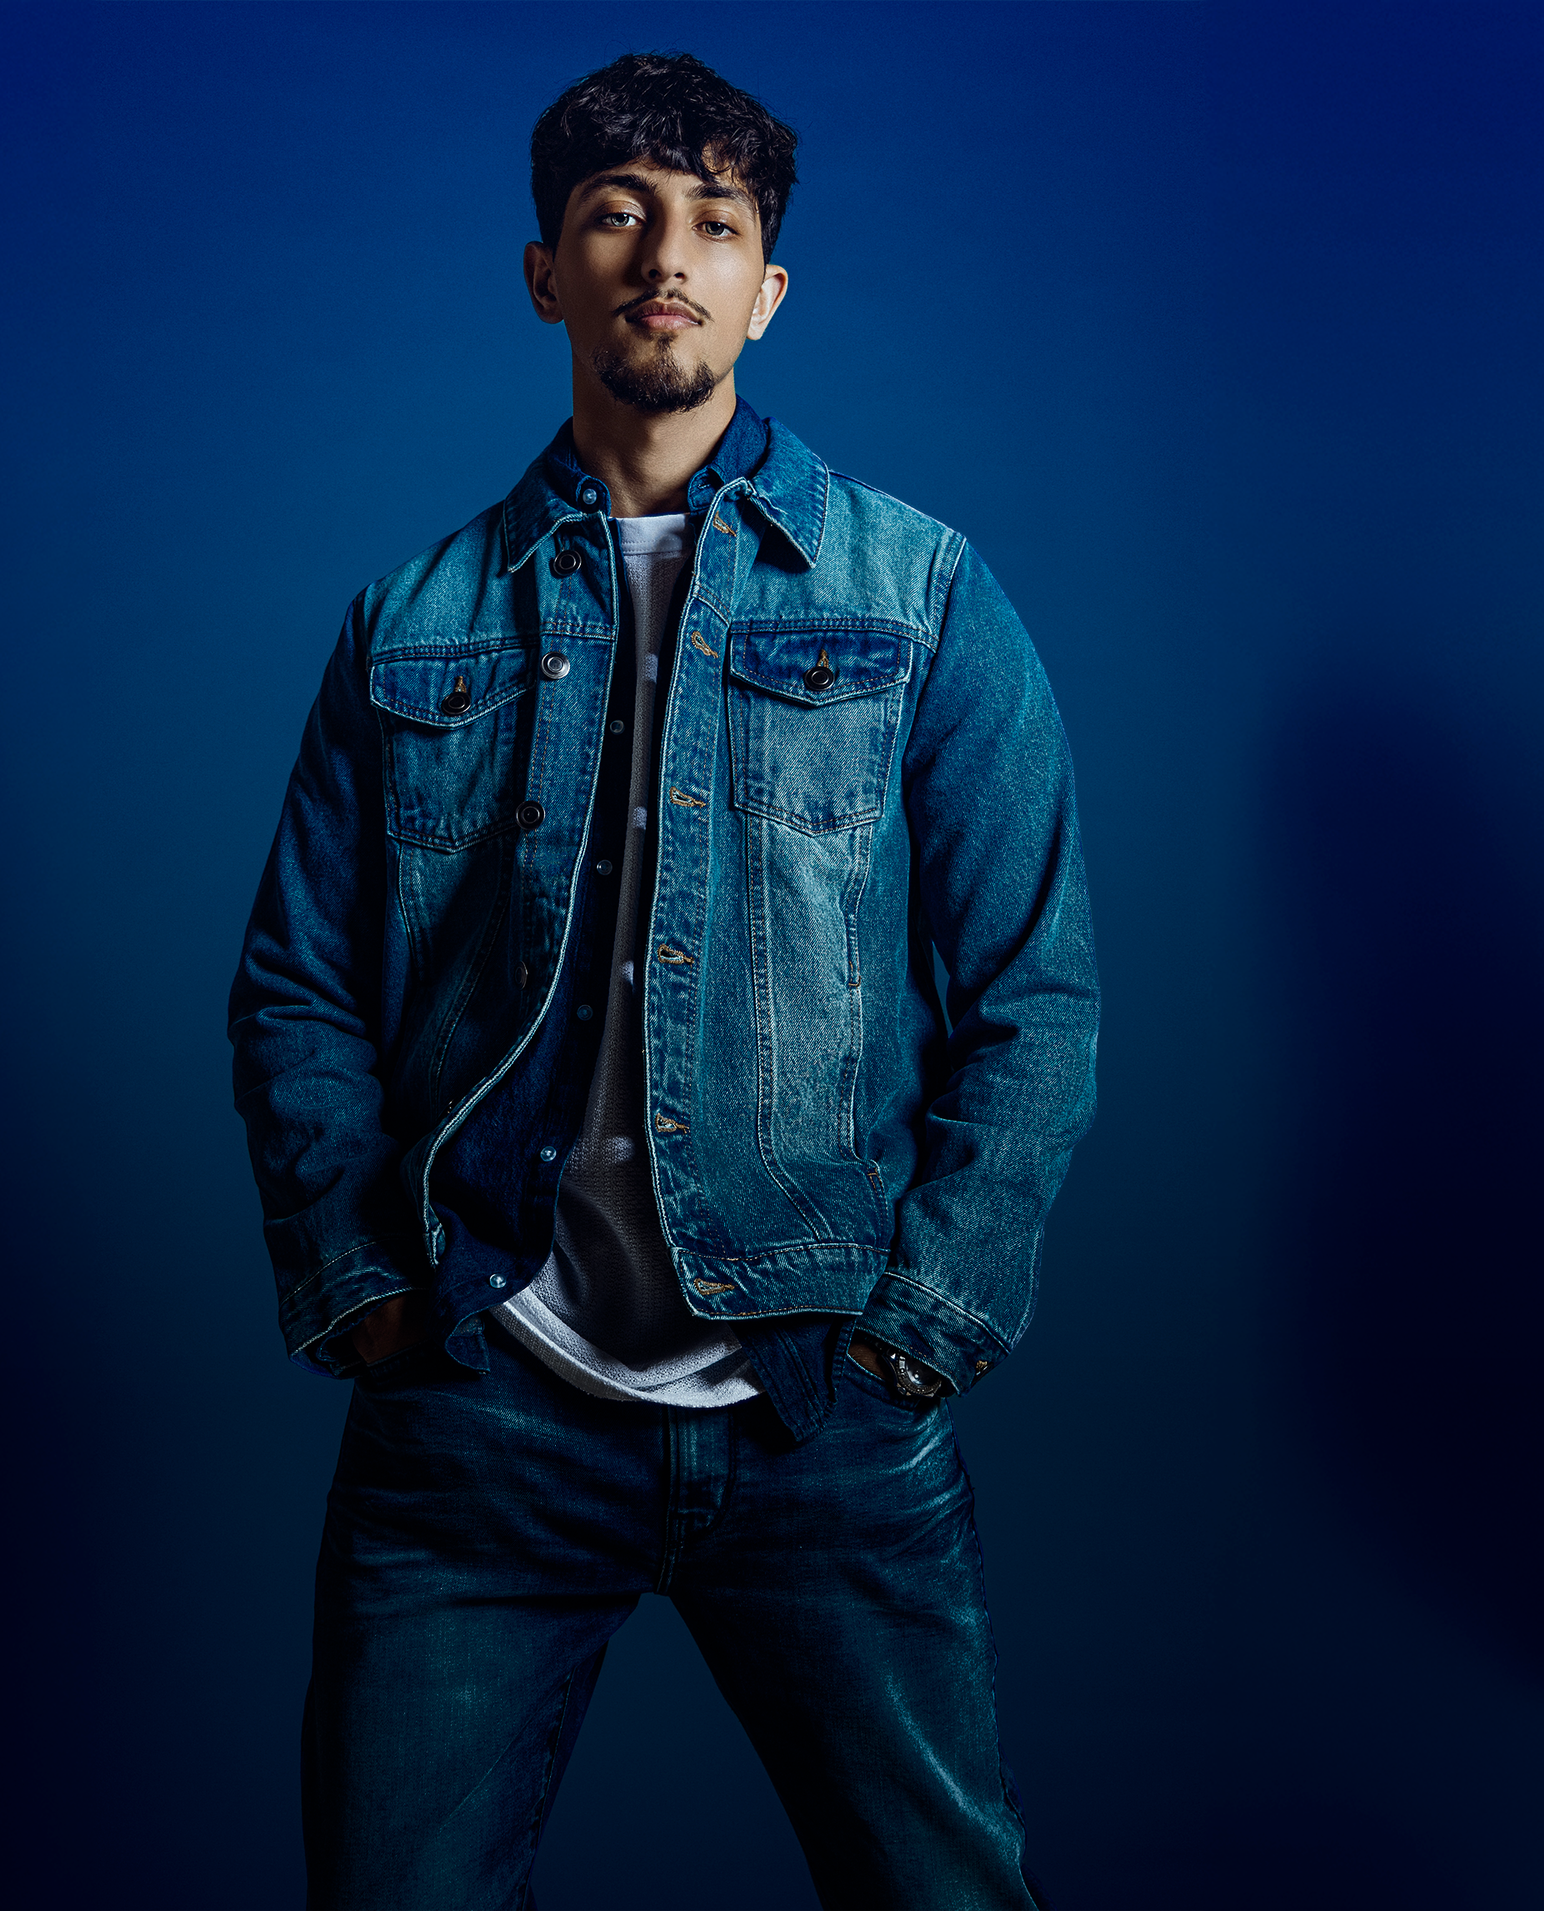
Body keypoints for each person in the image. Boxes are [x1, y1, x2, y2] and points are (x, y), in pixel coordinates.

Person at [228, 52, 1096, 1908]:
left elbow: (1036, 990)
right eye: (620, 213)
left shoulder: (921, 589)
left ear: (768, 289)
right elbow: (298, 983)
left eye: (715, 223)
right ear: (546, 268)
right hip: (481, 1409)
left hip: (818, 1418)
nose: (664, 257)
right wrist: (370, 1291)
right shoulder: (414, 617)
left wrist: (917, 1329)